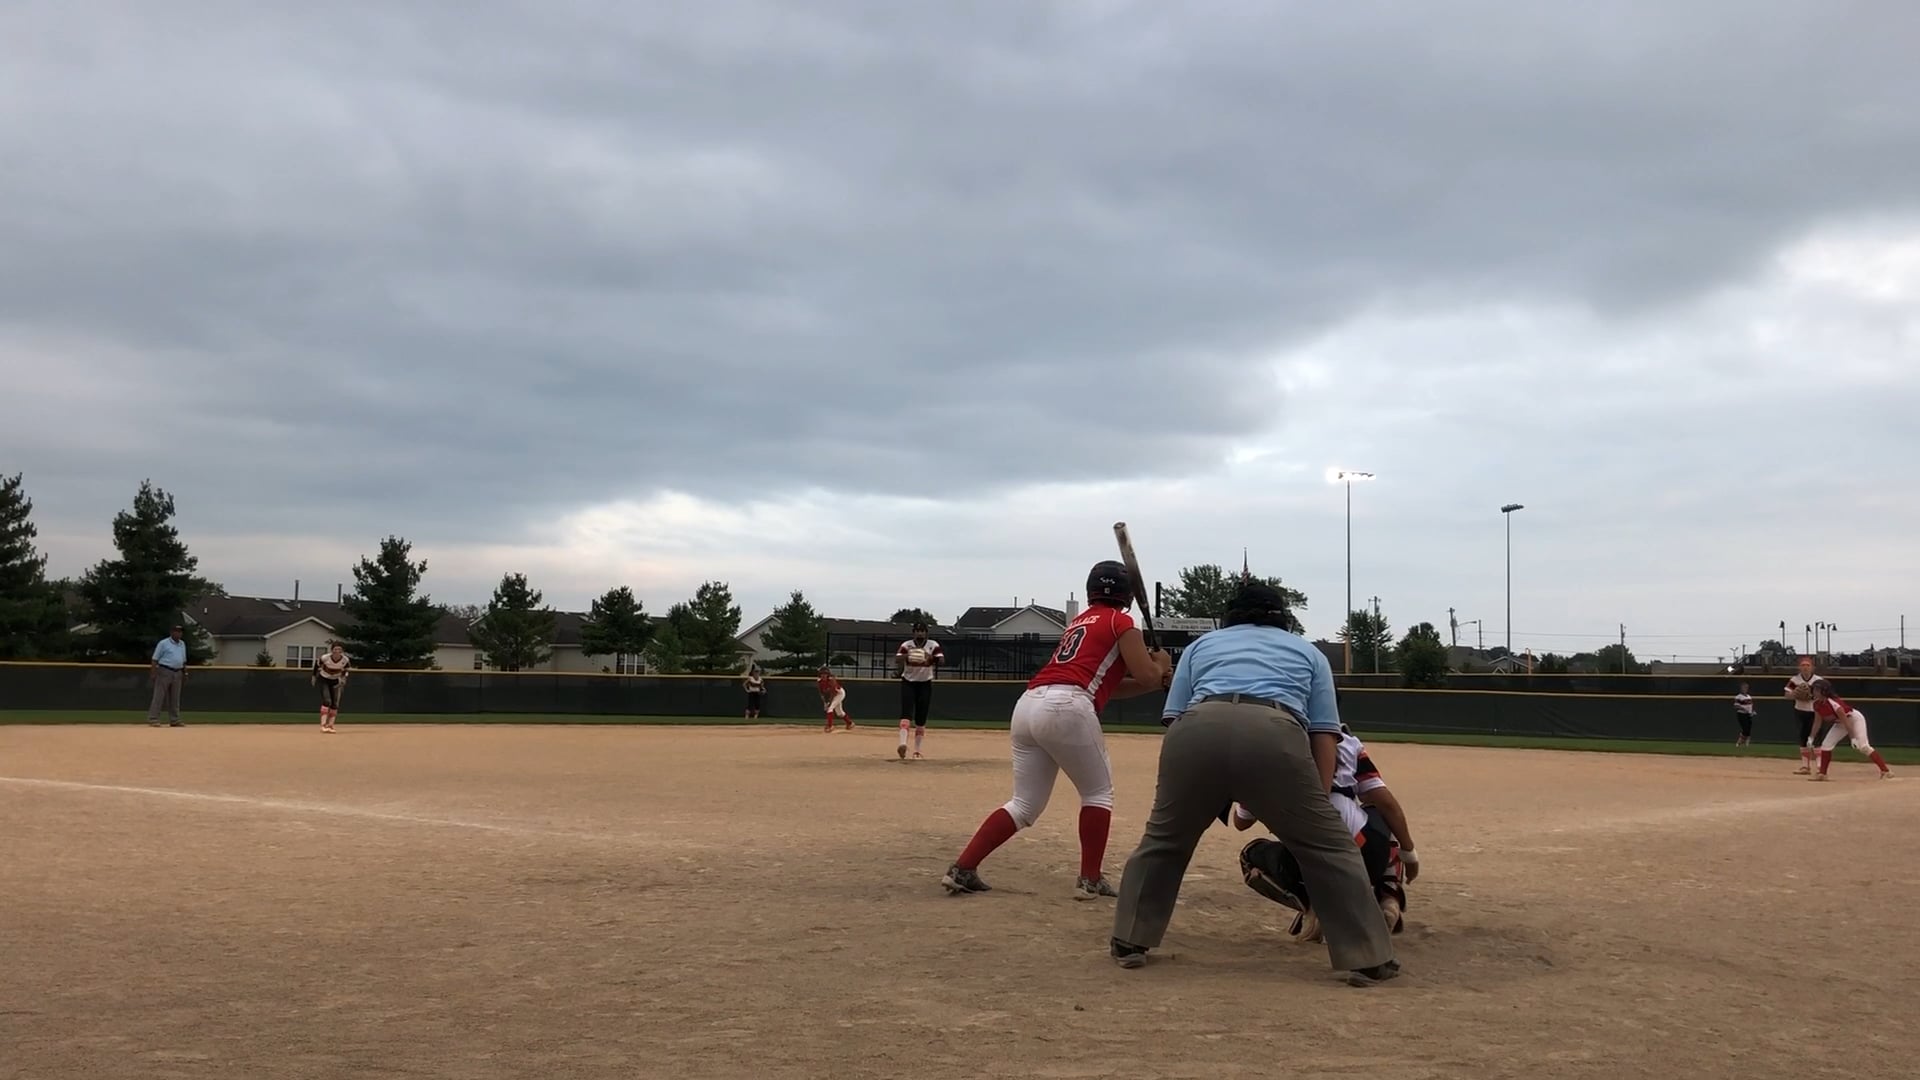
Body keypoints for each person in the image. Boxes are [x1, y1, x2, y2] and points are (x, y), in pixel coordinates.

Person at [1107, 580, 1399, 987]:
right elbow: (1324, 733)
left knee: (1164, 841)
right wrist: (1316, 801)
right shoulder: (1308, 652)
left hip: (1196, 729)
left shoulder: (1201, 646)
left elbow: (1175, 719)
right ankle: (1367, 958)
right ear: (1283, 618)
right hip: (1274, 730)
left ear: (1230, 616)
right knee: (1329, 847)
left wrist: (1194, 792)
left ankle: (1129, 940)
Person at [940, 561, 1174, 901]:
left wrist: (1154, 681)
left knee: (1024, 804)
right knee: (1098, 794)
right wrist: (1160, 666)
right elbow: (1147, 674)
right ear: (1126, 595)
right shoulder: (1122, 622)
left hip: (1029, 705)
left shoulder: (1079, 622)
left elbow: (1110, 687)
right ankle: (1090, 879)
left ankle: (963, 867)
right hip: (1067, 705)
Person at [1232, 722, 1421, 939]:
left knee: (1250, 856)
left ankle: (1314, 905)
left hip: (1307, 866)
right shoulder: (1347, 743)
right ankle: (1389, 892)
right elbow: (1387, 804)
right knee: (1381, 811)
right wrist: (1409, 854)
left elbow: (1241, 823)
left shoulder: (1265, 748)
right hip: (1364, 858)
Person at [1808, 682, 1894, 781]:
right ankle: (1822, 774)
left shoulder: (1833, 703)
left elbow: (1846, 721)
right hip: (1841, 723)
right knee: (1826, 745)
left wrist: (1853, 738)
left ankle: (1885, 771)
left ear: (1824, 691)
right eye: (1814, 690)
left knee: (1863, 746)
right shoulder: (1816, 704)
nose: (1814, 692)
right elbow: (1817, 722)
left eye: (1817, 690)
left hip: (1854, 719)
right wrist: (1811, 737)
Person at [894, 622, 944, 760]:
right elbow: (897, 659)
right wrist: (909, 655)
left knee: (921, 717)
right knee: (906, 713)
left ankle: (917, 751)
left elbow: (941, 661)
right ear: (913, 632)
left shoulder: (933, 645)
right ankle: (903, 744)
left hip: (925, 683)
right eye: (917, 630)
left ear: (926, 633)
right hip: (908, 682)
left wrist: (930, 657)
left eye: (922, 630)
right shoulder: (907, 645)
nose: (920, 633)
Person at [1783, 657, 1822, 774]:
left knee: (1817, 738)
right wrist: (1795, 694)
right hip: (1800, 710)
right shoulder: (1795, 680)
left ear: (1812, 667)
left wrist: (1812, 696)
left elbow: (1825, 695)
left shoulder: (1818, 680)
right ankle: (1805, 766)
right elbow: (1786, 694)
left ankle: (1820, 767)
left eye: (1807, 665)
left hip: (1815, 711)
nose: (1805, 667)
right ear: (1799, 667)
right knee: (1803, 737)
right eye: (1803, 665)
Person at [147, 624, 188, 727]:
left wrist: (185, 672)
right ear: (171, 632)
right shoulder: (163, 643)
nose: (179, 633)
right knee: (159, 696)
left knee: (175, 698)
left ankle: (175, 720)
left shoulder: (182, 644)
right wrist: (153, 673)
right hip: (165, 670)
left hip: (178, 671)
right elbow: (155, 659)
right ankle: (153, 719)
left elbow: (183, 660)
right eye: (176, 631)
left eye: (180, 632)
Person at [310, 642, 350, 733]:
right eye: (335, 649)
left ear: (342, 651)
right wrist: (313, 677)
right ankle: (323, 725)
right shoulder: (325, 658)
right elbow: (316, 666)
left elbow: (346, 669)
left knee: (335, 704)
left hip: (335, 681)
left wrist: (343, 679)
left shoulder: (345, 660)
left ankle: (330, 725)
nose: (337, 651)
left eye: (339, 649)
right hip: (324, 679)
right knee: (327, 701)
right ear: (332, 650)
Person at [818, 666, 852, 732]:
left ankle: (830, 726)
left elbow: (833, 693)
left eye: (825, 674)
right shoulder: (820, 682)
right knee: (839, 713)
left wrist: (829, 703)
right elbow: (822, 693)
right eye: (822, 674)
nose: (823, 675)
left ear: (828, 674)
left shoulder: (831, 680)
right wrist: (825, 703)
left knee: (830, 709)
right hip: (834, 695)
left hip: (839, 693)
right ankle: (850, 723)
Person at [1732, 682, 1756, 747]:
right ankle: (1740, 741)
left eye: (1746, 688)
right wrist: (1743, 708)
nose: (1745, 689)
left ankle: (1746, 742)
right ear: (1741, 688)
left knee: (1748, 729)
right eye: (1744, 688)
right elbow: (1735, 706)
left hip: (1748, 714)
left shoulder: (1749, 696)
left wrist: (1752, 711)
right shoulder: (1738, 696)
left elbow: (1750, 705)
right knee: (1745, 728)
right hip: (1742, 714)